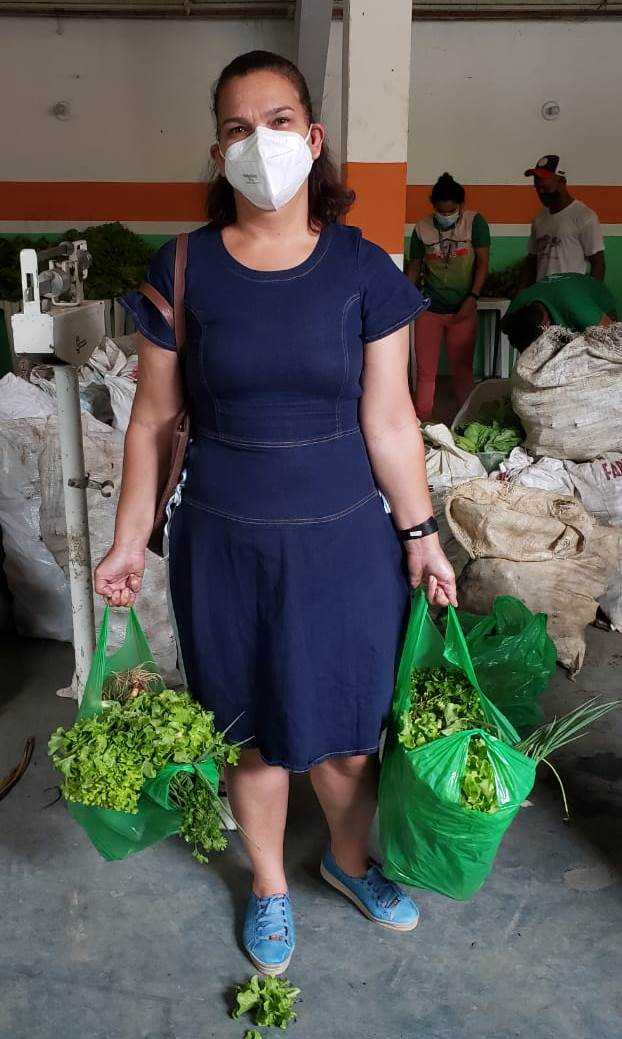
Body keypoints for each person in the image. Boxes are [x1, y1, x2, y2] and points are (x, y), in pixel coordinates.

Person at [95, 51, 457, 975]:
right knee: (246, 731)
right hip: (224, 538)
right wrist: (129, 539)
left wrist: (421, 535)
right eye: (238, 126)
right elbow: (154, 420)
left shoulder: (366, 271)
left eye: (281, 120)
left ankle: (346, 861)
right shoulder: (181, 269)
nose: (262, 142)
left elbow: (389, 420)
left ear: (314, 137)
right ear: (217, 148)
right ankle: (267, 884)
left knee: (344, 729)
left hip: (344, 540)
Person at [408, 173, 490, 421]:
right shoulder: (422, 229)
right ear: (433, 208)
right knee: (426, 371)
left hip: (463, 308)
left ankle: (463, 422)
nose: (446, 216)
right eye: (441, 212)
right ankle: (422, 423)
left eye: (451, 211)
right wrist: (407, 301)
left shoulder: (475, 223)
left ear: (460, 207)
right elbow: (414, 268)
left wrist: (472, 297)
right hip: (430, 309)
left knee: (462, 370)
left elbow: (483, 263)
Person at [522, 155, 605, 285]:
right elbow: (532, 260)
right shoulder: (539, 219)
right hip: (543, 297)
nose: (540, 190)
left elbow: (598, 263)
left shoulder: (584, 216)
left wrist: (590, 295)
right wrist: (522, 291)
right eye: (537, 187)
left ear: (561, 181)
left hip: (570, 297)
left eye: (545, 185)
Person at [502, 273, 617, 353]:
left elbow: (614, 337)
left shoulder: (581, 310)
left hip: (598, 300)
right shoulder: (515, 310)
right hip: (561, 293)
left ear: (546, 325)